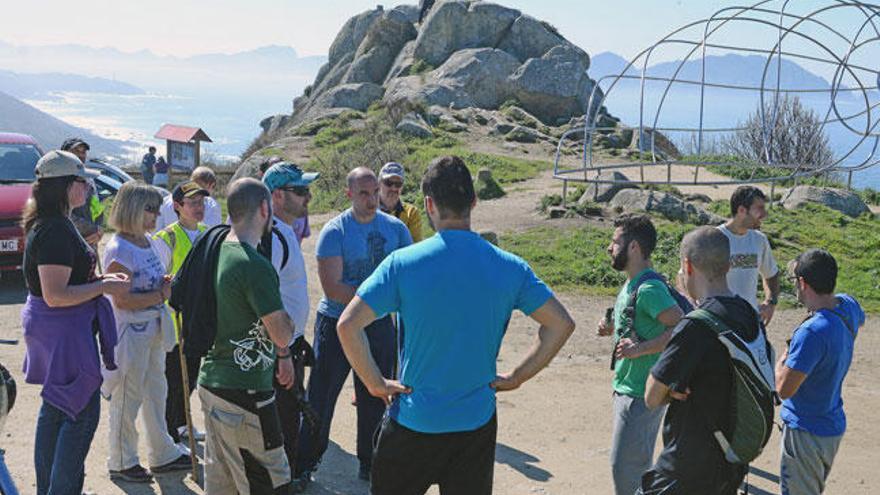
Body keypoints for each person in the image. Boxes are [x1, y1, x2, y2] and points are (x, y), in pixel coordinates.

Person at [336, 155, 576, 495]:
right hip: (474, 426)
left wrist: (375, 383)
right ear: (473, 202)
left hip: (413, 422)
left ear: (429, 204)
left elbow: (347, 325)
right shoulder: (510, 267)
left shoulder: (402, 265)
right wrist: (518, 377)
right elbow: (561, 324)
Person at [293, 167, 412, 489]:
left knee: (377, 393)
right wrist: (379, 303)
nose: (372, 199)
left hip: (378, 326)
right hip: (336, 324)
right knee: (321, 397)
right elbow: (333, 288)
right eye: (363, 193)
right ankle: (304, 463)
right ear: (349, 194)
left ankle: (371, 463)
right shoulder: (335, 231)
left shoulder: (397, 230)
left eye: (375, 192)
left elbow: (406, 279)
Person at [20, 150, 131, 494]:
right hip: (64, 333)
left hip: (56, 331)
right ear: (65, 186)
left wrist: (92, 274)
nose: (87, 188)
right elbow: (55, 294)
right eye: (82, 181)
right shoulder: (54, 229)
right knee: (80, 412)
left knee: (56, 407)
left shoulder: (52, 222)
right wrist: (104, 285)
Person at [641, 226, 759, 494]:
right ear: (728, 265)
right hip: (731, 458)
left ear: (687, 266)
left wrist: (671, 391)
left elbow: (651, 396)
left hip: (686, 466)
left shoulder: (696, 326)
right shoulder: (747, 313)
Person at [197, 178, 296, 494]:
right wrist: (289, 328)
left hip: (213, 383)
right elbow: (281, 334)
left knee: (223, 483)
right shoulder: (254, 265)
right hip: (245, 392)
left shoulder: (217, 250)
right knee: (271, 480)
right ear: (265, 209)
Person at [102, 182, 191, 482]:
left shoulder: (147, 241)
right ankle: (122, 459)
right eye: (149, 209)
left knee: (156, 391)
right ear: (131, 209)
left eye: (155, 208)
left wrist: (161, 287)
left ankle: (162, 451)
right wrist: (160, 295)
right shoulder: (119, 248)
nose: (155, 215)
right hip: (130, 331)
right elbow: (122, 298)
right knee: (128, 396)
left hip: (151, 327)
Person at [596, 214, 684, 495]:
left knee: (626, 472)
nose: (610, 248)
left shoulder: (649, 288)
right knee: (630, 469)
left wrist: (638, 349)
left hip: (640, 394)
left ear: (633, 247)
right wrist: (612, 326)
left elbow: (681, 328)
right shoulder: (632, 283)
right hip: (629, 388)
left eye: (615, 242)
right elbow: (638, 320)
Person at [776, 249, 865, 495]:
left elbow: (783, 389)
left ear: (803, 283)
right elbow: (859, 318)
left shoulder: (812, 333)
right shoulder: (848, 306)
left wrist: (783, 358)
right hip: (830, 424)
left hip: (806, 433)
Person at [261, 162, 319, 472]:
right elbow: (266, 298)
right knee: (280, 429)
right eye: (300, 191)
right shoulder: (274, 236)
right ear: (278, 196)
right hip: (278, 349)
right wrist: (282, 352)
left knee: (286, 425)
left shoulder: (282, 233)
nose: (308, 197)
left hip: (287, 345)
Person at [152, 181, 210, 445]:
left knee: (192, 377)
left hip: (199, 321)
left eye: (201, 202)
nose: (199, 208)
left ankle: (182, 423)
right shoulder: (166, 238)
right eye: (192, 203)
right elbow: (158, 281)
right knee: (174, 381)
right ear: (177, 206)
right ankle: (169, 434)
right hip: (174, 324)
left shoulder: (209, 233)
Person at [718, 186, 780, 325]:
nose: (765, 214)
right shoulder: (715, 238)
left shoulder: (760, 240)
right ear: (741, 210)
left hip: (750, 321)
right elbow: (685, 276)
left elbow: (772, 274)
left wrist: (771, 302)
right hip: (719, 322)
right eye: (759, 208)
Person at [61, 138, 104, 255]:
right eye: (76, 151)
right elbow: (62, 213)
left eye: (83, 152)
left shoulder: (89, 178)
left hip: (90, 242)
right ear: (65, 153)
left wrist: (100, 229)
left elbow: (96, 207)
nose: (81, 155)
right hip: (68, 240)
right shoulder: (58, 178)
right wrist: (91, 229)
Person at [257, 157, 311, 245]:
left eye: (307, 189)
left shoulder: (298, 210)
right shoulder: (270, 243)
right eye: (300, 191)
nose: (309, 197)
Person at [156, 166, 222, 230]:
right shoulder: (211, 205)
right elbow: (213, 232)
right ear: (211, 185)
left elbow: (156, 231)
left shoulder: (165, 201)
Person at [378, 162, 423, 243]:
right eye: (389, 183)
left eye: (398, 184)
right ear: (379, 184)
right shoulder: (368, 211)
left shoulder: (412, 213)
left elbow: (415, 248)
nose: (393, 188)